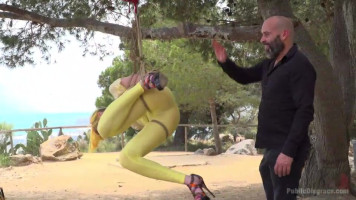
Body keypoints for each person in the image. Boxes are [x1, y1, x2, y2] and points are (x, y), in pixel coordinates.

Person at [212, 16, 316, 200]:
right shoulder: (270, 63)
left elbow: (304, 111)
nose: (262, 39)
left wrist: (288, 152)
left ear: (284, 34)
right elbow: (244, 76)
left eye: (267, 34)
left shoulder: (300, 66)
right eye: (262, 34)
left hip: (286, 148)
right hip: (272, 148)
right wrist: (225, 62)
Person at [89, 72, 214, 200]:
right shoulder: (132, 122)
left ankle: (145, 83)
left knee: (103, 129)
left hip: (154, 94)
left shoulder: (116, 90)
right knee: (125, 158)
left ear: (100, 115)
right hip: (167, 119)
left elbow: (135, 76)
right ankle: (191, 181)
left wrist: (140, 83)